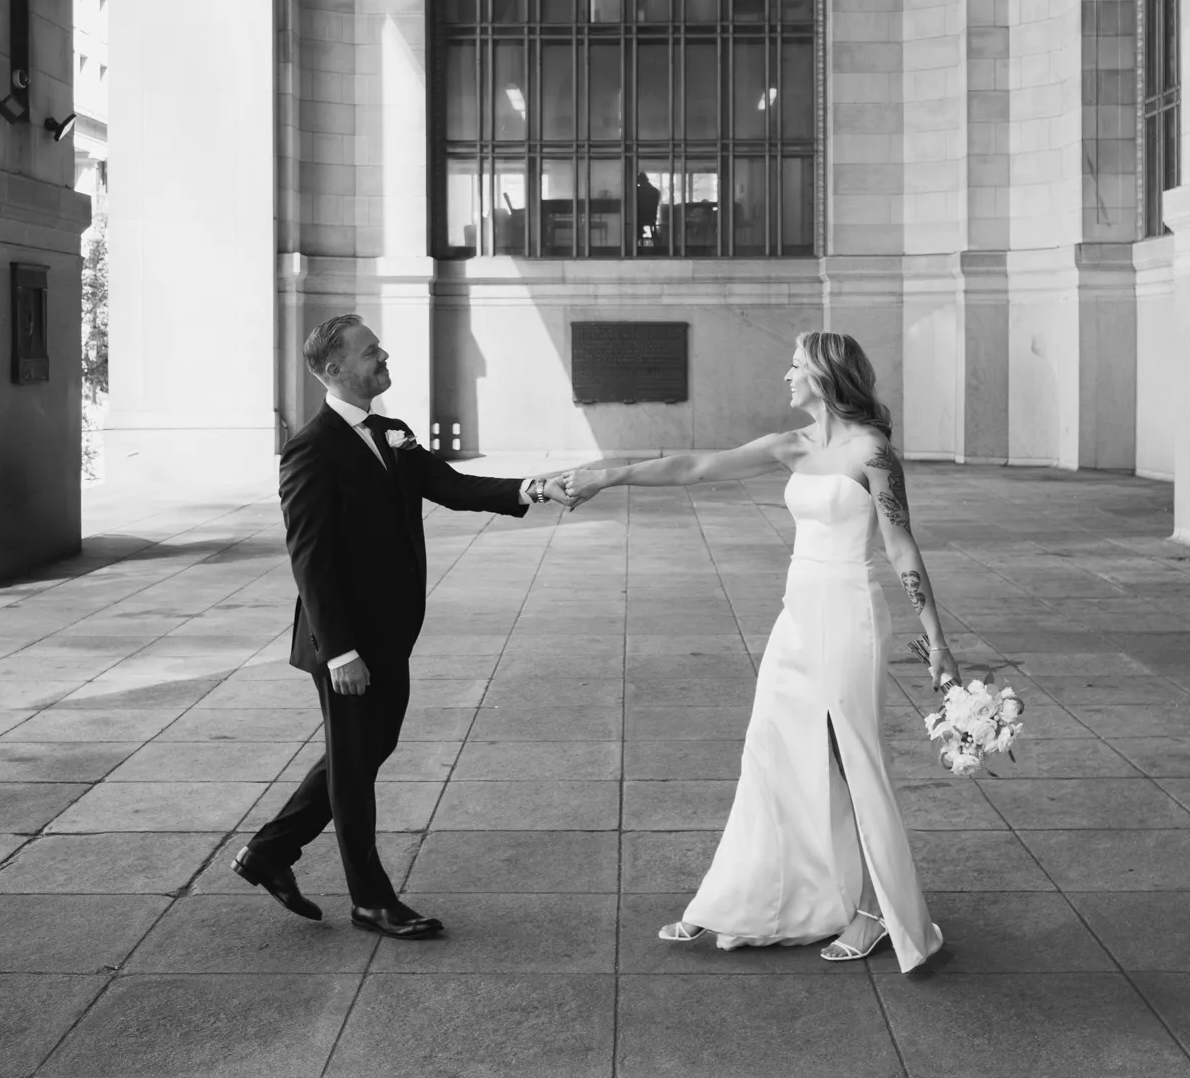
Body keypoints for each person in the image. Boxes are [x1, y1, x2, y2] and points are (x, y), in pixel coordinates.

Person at [564, 330, 957, 970]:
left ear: (826, 375)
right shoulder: (791, 446)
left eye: (796, 365)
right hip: (797, 616)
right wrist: (613, 477)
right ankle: (746, 900)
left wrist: (936, 639)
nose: (786, 375)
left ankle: (878, 915)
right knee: (772, 750)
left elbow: (900, 546)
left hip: (848, 614)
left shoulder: (873, 453)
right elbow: (694, 468)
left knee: (849, 756)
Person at [233, 313, 571, 938]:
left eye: (380, 348)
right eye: (369, 352)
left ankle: (268, 851)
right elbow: (310, 558)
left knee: (364, 752)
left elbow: (452, 485)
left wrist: (532, 487)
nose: (382, 356)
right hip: (348, 644)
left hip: (392, 632)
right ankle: (371, 899)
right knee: (355, 768)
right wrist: (339, 653)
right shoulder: (311, 447)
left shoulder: (393, 431)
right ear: (333, 370)